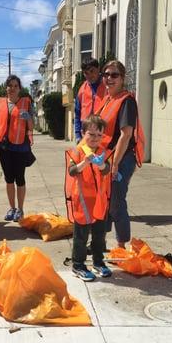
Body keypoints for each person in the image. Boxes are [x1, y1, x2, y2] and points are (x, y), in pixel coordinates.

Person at [95, 60, 144, 249]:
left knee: (116, 201)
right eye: (106, 75)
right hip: (107, 158)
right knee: (106, 200)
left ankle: (121, 245)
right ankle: (100, 241)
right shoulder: (107, 100)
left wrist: (114, 165)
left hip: (122, 159)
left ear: (123, 78)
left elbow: (126, 134)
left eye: (114, 75)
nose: (109, 78)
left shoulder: (126, 101)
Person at [65, 115, 112, 281]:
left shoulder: (104, 151)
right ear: (83, 133)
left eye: (99, 135)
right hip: (83, 200)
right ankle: (78, 265)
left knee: (99, 234)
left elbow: (107, 169)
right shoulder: (77, 151)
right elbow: (72, 171)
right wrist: (84, 162)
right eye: (91, 134)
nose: (95, 138)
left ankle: (98, 262)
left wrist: (101, 164)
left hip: (99, 200)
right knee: (81, 235)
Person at [0, 75, 34, 222]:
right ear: (6, 87)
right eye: (10, 85)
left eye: (15, 86)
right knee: (8, 179)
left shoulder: (26, 103)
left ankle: (20, 209)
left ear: (20, 88)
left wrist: (28, 118)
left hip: (20, 146)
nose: (12, 88)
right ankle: (12, 208)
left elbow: (31, 127)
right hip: (3, 146)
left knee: (19, 178)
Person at [74, 58, 107, 144]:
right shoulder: (82, 89)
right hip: (86, 136)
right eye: (86, 73)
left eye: (92, 71)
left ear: (98, 69)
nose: (89, 75)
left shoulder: (107, 86)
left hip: (103, 134)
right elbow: (77, 113)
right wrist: (78, 135)